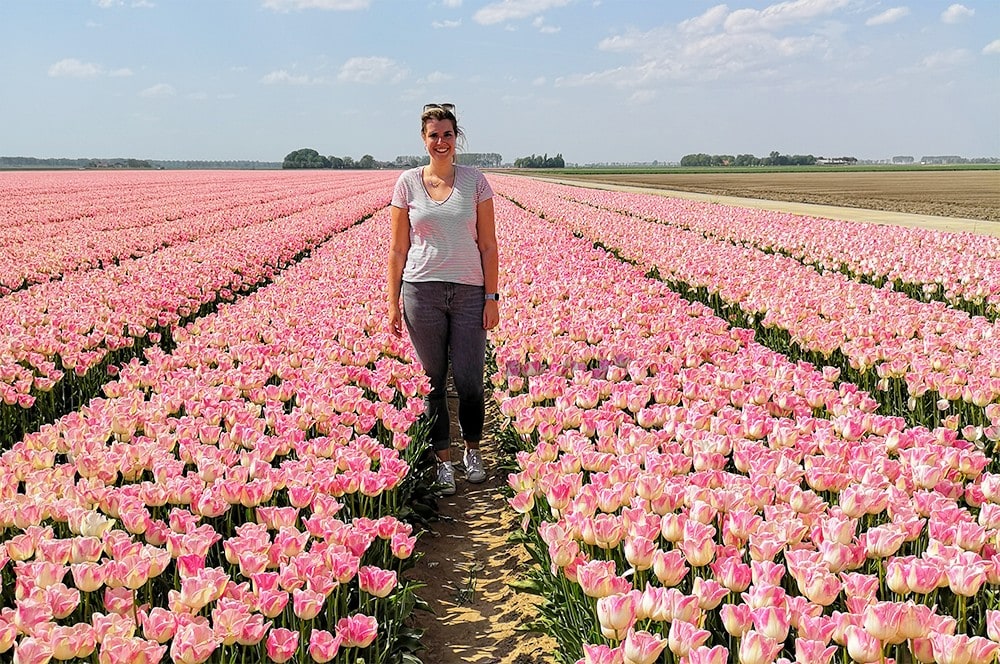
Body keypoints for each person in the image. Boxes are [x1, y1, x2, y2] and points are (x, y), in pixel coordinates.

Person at [388, 103, 500, 496]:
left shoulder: (476, 182)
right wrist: (392, 302)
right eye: (434, 135)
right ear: (423, 139)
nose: (441, 142)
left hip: (470, 291)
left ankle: (472, 451)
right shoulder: (407, 183)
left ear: (457, 138)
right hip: (421, 290)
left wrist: (492, 297)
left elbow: (488, 245)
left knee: (470, 380)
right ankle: (442, 462)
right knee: (433, 383)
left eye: (447, 135)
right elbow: (398, 249)